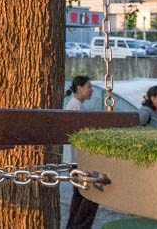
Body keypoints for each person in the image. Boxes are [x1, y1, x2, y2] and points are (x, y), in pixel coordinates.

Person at [64, 76, 97, 229]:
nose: (91, 90)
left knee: (79, 197)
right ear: (79, 88)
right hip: (78, 160)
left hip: (75, 160)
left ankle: (73, 226)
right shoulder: (75, 106)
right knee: (86, 196)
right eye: (88, 87)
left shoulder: (75, 105)